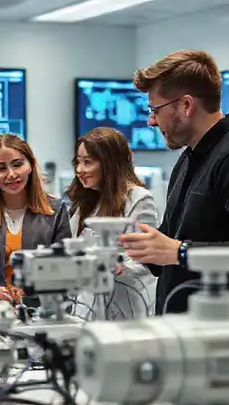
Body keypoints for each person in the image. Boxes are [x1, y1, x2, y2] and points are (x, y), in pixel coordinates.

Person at [120, 49, 229, 315]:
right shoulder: (189, 159)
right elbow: (172, 244)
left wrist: (180, 251)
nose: (151, 120)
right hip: (187, 329)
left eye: (155, 109)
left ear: (186, 105)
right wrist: (133, 250)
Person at [0, 134, 72, 303]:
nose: (11, 174)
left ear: (30, 164)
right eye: (1, 168)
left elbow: (66, 266)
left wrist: (34, 289)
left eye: (18, 164)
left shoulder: (56, 211)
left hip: (47, 313)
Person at [67, 127, 159, 320]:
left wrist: (118, 267)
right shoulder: (85, 203)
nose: (79, 170)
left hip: (125, 307)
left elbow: (147, 259)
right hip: (86, 308)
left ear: (109, 162)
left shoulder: (138, 199)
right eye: (78, 162)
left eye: (87, 162)